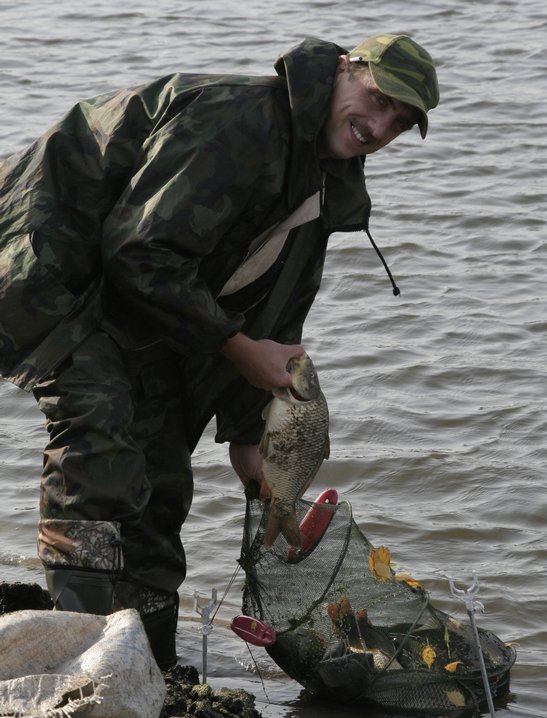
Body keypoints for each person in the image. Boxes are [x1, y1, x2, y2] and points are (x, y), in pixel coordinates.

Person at [0, 34, 439, 668]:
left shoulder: (323, 179)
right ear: (347, 68)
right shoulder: (240, 116)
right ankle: (81, 660)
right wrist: (235, 347)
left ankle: (148, 667)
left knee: (161, 482)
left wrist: (247, 438)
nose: (379, 126)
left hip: (135, 295)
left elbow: (272, 320)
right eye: (376, 100)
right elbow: (139, 251)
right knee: (98, 442)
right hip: (50, 261)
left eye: (399, 122)